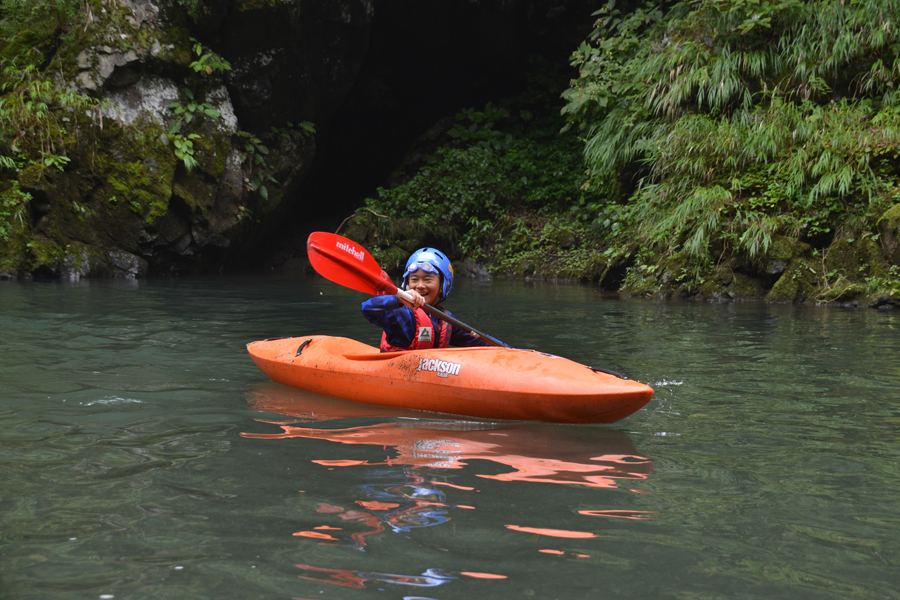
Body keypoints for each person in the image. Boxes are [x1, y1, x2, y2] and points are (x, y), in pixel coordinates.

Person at [361, 247, 492, 351]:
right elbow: (367, 309)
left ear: (442, 286)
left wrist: (510, 352)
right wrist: (398, 299)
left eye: (428, 279)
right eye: (414, 279)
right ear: (407, 284)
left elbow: (478, 340)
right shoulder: (401, 313)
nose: (420, 286)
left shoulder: (445, 319)